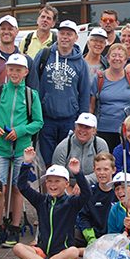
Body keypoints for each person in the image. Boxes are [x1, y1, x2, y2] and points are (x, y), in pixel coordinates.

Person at [0, 53, 44, 248]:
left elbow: (38, 122)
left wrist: (20, 131)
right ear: (6, 71)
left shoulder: (31, 94)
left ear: (26, 72)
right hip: (0, 146)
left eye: (18, 70)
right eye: (11, 69)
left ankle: (15, 227)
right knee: (0, 187)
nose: (14, 73)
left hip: (21, 147)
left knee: (19, 187)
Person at [14, 147, 88, 259]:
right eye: (49, 181)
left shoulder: (71, 203)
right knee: (18, 247)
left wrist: (78, 174)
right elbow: (22, 187)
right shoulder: (41, 201)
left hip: (62, 252)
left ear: (66, 184)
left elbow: (87, 194)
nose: (52, 185)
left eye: (57, 181)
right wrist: (26, 164)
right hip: (42, 251)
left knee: (74, 252)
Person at [32, 20, 92, 167]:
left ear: (76, 38)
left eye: (69, 34)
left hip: (69, 119)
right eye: (62, 33)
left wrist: (82, 122)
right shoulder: (44, 55)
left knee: (65, 160)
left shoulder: (81, 63)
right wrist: (35, 114)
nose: (65, 37)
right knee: (47, 161)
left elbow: (84, 94)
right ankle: (47, 190)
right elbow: (34, 85)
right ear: (57, 35)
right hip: (46, 119)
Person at [95, 43, 130, 151]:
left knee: (124, 162)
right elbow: (91, 105)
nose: (117, 58)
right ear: (107, 58)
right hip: (103, 129)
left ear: (126, 60)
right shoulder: (99, 78)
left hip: (126, 130)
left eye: (120, 56)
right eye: (114, 55)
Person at [75, 152, 116, 250]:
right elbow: (83, 217)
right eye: (98, 169)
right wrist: (91, 238)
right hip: (93, 235)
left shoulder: (120, 192)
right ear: (94, 171)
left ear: (113, 170)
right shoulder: (90, 192)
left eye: (106, 169)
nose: (102, 173)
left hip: (113, 236)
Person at [51, 113, 110, 179]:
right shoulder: (62, 147)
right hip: (68, 185)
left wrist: (83, 182)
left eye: (87, 127)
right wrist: (67, 187)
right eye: (80, 126)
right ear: (75, 127)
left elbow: (104, 171)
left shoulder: (101, 145)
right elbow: (57, 175)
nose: (83, 130)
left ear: (94, 130)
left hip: (94, 184)